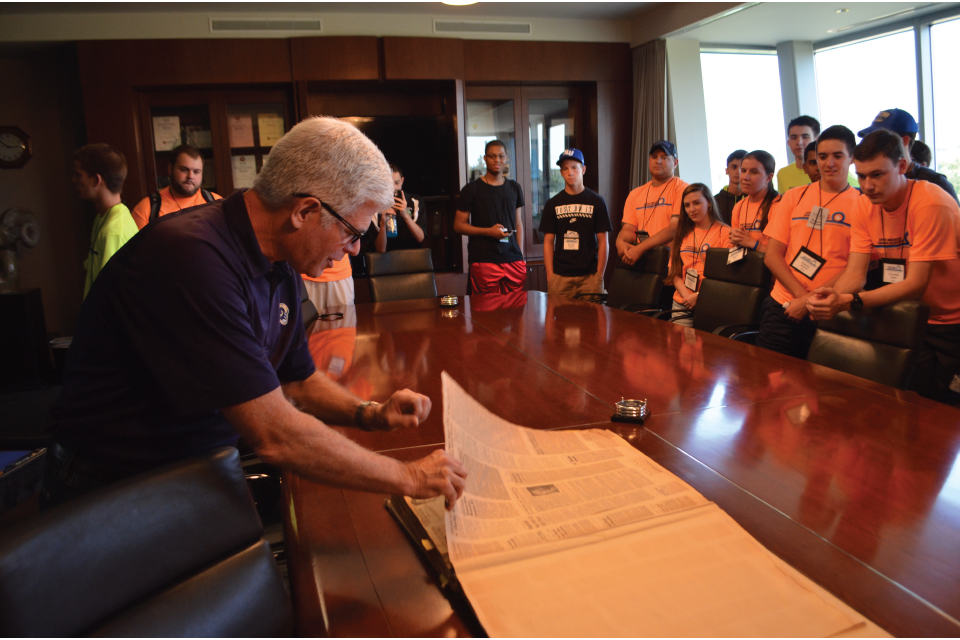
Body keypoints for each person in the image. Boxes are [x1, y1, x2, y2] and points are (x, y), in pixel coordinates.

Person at [47, 116, 467, 509]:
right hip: (116, 491)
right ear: (304, 211)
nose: (356, 249)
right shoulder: (192, 257)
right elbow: (276, 434)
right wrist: (407, 477)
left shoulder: (279, 259)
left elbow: (298, 378)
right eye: (353, 233)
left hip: (198, 465)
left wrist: (371, 414)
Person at [807, 130, 960, 402]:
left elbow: (915, 285)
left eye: (877, 175)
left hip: (951, 321)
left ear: (901, 166)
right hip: (911, 317)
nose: (867, 186)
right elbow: (855, 274)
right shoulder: (864, 206)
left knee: (946, 410)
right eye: (862, 176)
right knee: (909, 404)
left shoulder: (930, 203)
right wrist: (829, 300)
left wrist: (847, 302)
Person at [759, 125, 860, 359]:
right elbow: (772, 255)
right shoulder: (795, 196)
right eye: (822, 157)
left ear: (852, 158)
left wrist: (809, 302)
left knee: (822, 389)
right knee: (771, 382)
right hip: (783, 305)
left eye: (838, 156)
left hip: (828, 308)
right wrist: (800, 298)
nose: (829, 163)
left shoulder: (862, 204)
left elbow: (854, 268)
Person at [454, 140, 526, 294]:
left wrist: (520, 254)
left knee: (515, 310)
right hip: (484, 259)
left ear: (506, 158)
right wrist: (488, 231)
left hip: (513, 259)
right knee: (486, 311)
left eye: (501, 156)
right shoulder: (471, 189)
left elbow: (518, 223)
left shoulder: (515, 187)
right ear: (485, 158)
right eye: (492, 156)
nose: (497, 160)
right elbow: (458, 225)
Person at [538, 149, 612, 299]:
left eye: (574, 167)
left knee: (592, 321)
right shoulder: (553, 204)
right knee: (560, 321)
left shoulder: (597, 201)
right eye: (565, 168)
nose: (570, 172)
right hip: (560, 277)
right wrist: (550, 276)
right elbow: (548, 242)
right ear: (561, 172)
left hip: (590, 277)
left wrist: (599, 275)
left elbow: (604, 241)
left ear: (583, 170)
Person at [72, 143, 139, 300]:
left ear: (96, 180)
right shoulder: (101, 218)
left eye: (78, 175)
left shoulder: (114, 231)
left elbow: (112, 296)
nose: (73, 180)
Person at [858, 108, 958, 204]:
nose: (868, 186)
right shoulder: (869, 184)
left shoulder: (936, 183)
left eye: (879, 140)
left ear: (904, 141)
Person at [665, 183, 731, 327]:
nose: (692, 209)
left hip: (711, 301)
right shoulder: (682, 232)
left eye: (697, 203)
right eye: (687, 205)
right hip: (682, 302)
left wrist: (699, 297)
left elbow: (727, 278)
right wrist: (687, 297)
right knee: (681, 348)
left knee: (707, 347)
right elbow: (674, 271)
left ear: (708, 202)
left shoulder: (725, 233)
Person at [616, 140, 688, 266]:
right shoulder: (635, 194)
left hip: (671, 266)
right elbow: (628, 229)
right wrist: (620, 242)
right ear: (649, 160)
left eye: (664, 157)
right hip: (641, 263)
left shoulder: (682, 189)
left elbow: (673, 229)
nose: (658, 161)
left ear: (675, 163)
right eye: (654, 157)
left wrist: (639, 248)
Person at [130, 144, 222, 230]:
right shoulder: (147, 208)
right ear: (170, 169)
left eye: (196, 172)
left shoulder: (216, 203)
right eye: (184, 170)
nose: (190, 176)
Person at [729, 150, 777, 254]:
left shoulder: (779, 204)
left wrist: (753, 243)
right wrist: (735, 240)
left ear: (768, 177)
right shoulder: (739, 207)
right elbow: (736, 250)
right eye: (743, 170)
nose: (746, 177)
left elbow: (782, 254)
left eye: (754, 172)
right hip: (746, 267)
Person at [374, 163, 424, 252]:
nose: (393, 188)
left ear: (402, 181)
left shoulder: (415, 201)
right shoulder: (375, 206)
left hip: (413, 257)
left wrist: (406, 215)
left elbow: (420, 238)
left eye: (396, 183)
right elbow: (380, 249)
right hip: (386, 259)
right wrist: (382, 224)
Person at [776, 115, 820, 193]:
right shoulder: (782, 174)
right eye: (794, 137)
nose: (799, 142)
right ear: (788, 143)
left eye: (805, 137)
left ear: (816, 140)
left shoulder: (829, 171)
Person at [715, 149, 747, 225]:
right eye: (734, 167)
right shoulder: (715, 201)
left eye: (742, 169)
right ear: (727, 171)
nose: (738, 172)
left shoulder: (754, 199)